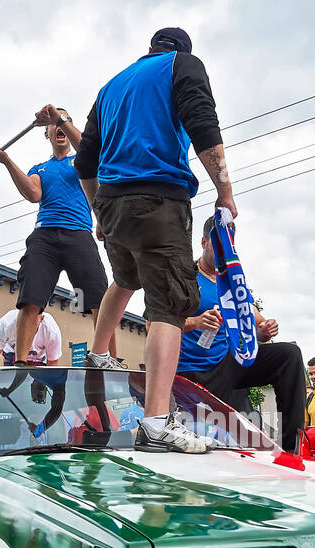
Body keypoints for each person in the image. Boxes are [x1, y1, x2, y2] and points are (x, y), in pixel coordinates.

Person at [74, 27, 235, 453]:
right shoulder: (183, 66)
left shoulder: (110, 86)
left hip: (112, 203)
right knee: (170, 303)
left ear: (149, 49)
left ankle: (97, 353)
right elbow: (204, 127)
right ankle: (157, 422)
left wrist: (99, 213)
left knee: (125, 277)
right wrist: (225, 192)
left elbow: (84, 159)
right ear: (182, 50)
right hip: (158, 199)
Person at [0, 107, 108, 366]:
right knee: (30, 299)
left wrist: (59, 118)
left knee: (99, 297)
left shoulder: (81, 160)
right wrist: (6, 160)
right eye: (53, 125)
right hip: (45, 236)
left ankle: (105, 356)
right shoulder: (40, 168)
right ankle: (20, 362)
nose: (59, 128)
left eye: (64, 122)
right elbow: (33, 194)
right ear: (46, 133)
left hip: (79, 234)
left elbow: (89, 153)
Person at [176, 216, 305, 452]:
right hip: (192, 371)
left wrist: (265, 330)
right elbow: (152, 325)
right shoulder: (185, 275)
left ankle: (291, 447)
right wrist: (195, 321)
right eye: (218, 245)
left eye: (229, 246)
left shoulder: (233, 281)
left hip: (227, 364)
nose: (223, 252)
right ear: (204, 242)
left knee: (289, 354)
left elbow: (257, 323)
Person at [0, 308, 64, 368]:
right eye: (25, 319)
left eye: (33, 320)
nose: (28, 324)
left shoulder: (51, 330)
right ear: (20, 315)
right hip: (12, 355)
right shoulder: (6, 323)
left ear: (41, 318)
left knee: (39, 386)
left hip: (38, 359)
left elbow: (52, 364)